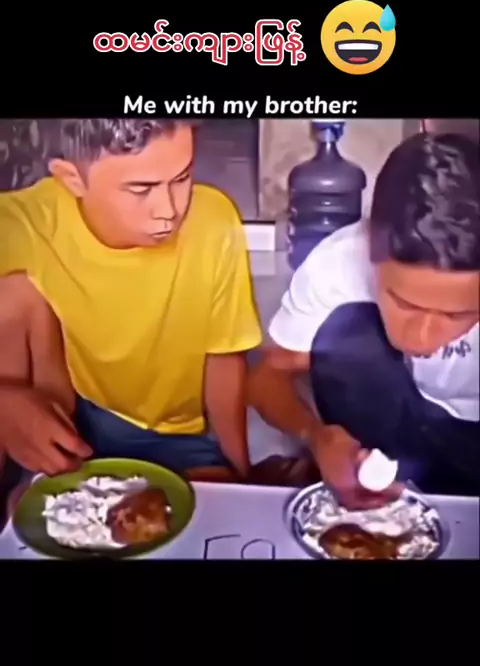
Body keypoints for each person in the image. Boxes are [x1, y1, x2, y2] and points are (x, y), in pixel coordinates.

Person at [0, 118, 262, 479]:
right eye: (141, 189)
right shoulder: (21, 220)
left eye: (182, 178)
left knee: (211, 499)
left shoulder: (214, 222)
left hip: (170, 435)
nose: (168, 210)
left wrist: (242, 473)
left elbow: (225, 358)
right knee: (12, 295)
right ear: (72, 179)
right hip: (69, 410)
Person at [248, 132, 480, 508]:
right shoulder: (338, 263)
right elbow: (266, 379)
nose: (422, 338)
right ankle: (344, 471)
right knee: (346, 327)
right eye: (404, 303)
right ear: (371, 241)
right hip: (387, 423)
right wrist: (315, 435)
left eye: (457, 315)